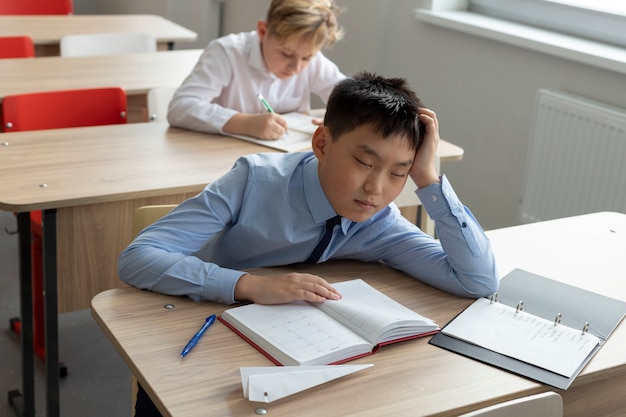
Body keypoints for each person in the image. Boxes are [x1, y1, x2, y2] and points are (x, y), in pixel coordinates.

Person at [121, 71, 499, 416]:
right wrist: (250, 285)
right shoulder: (252, 182)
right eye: (365, 163)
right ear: (321, 143)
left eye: (399, 172)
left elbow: (476, 280)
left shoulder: (379, 223)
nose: (376, 188)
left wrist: (429, 179)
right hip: (200, 336)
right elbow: (138, 257)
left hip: (295, 363)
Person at [167, 0, 346, 140]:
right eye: (286, 54)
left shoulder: (312, 59)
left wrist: (339, 119)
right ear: (262, 31)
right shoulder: (227, 53)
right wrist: (244, 123)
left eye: (307, 58)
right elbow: (180, 107)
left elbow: (353, 99)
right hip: (223, 158)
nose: (296, 67)